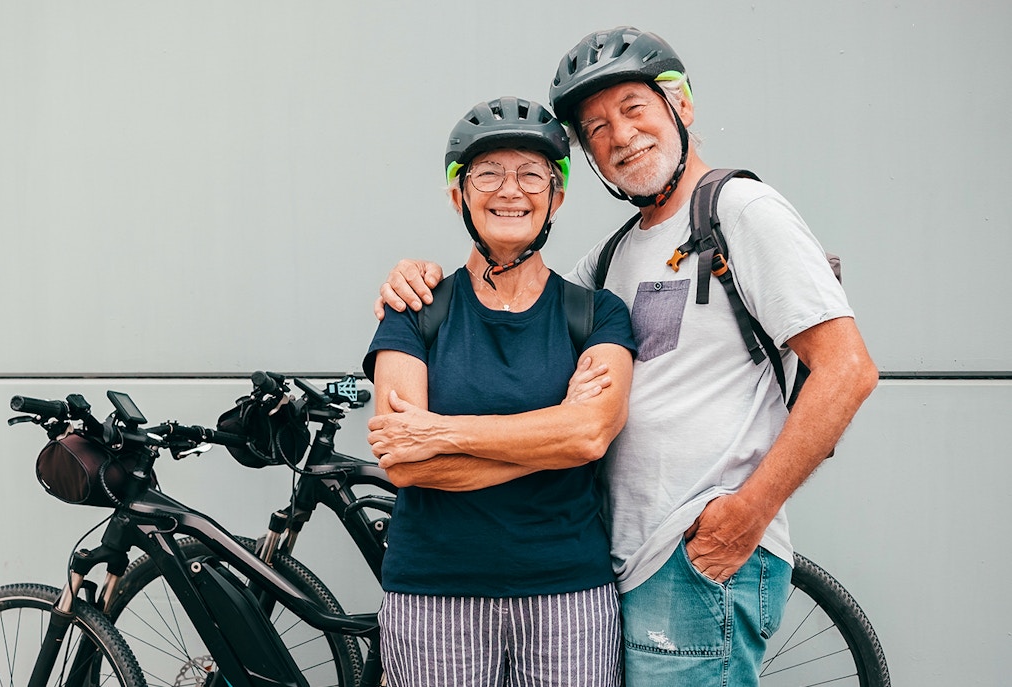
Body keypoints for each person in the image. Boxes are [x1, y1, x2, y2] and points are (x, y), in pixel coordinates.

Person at [375, 28, 879, 687]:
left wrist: (747, 514)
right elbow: (512, 284)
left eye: (634, 108)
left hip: (699, 549)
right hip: (631, 558)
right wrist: (414, 278)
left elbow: (847, 369)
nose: (619, 136)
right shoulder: (613, 259)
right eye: (596, 128)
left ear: (682, 107)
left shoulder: (738, 210)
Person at [363, 95, 636, 687]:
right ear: (458, 195)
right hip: (434, 595)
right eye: (487, 172)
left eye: (531, 173)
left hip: (568, 593)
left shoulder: (596, 314)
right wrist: (549, 435)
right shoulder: (415, 310)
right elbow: (403, 464)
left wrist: (439, 432)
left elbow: (589, 434)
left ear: (556, 197)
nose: (510, 189)